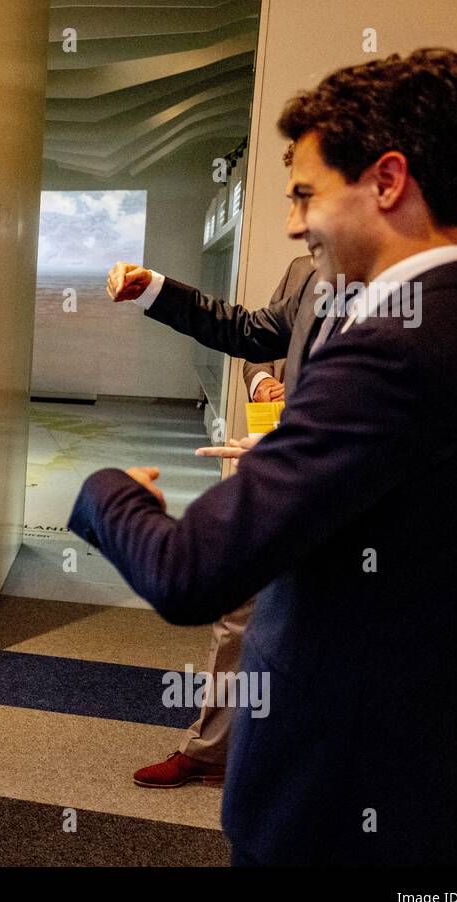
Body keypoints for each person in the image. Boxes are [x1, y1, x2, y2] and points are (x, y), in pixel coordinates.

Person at [69, 48, 457, 864]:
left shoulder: (390, 354)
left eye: (304, 194)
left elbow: (188, 573)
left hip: (337, 801)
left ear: (387, 180)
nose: (295, 223)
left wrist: (107, 490)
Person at [120, 257, 313, 788]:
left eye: (309, 194)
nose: (298, 220)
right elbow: (255, 336)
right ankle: (211, 752)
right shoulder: (305, 271)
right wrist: (153, 290)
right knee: (240, 611)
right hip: (282, 472)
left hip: (354, 499)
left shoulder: (412, 292)